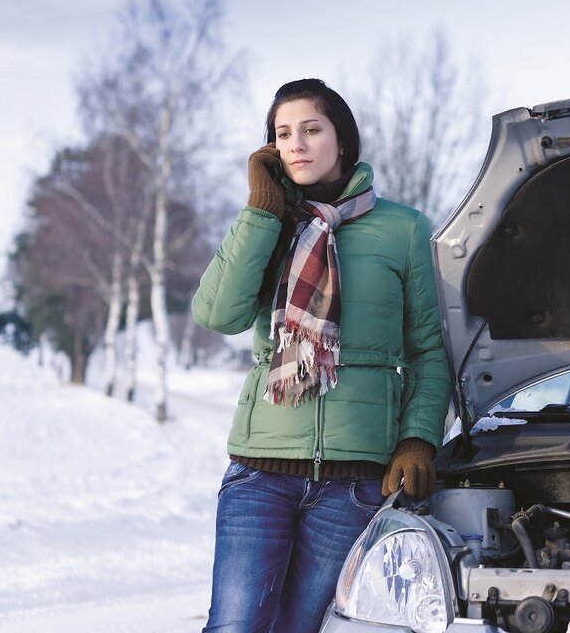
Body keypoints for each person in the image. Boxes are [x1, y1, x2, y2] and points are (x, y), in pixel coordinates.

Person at [192, 78, 452, 633]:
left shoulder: (404, 228)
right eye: (283, 133)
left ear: (343, 139)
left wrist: (417, 440)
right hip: (260, 472)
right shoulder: (268, 223)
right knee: (234, 626)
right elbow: (218, 314)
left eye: (311, 129)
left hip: (355, 482)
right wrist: (262, 211)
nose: (297, 144)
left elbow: (429, 351)